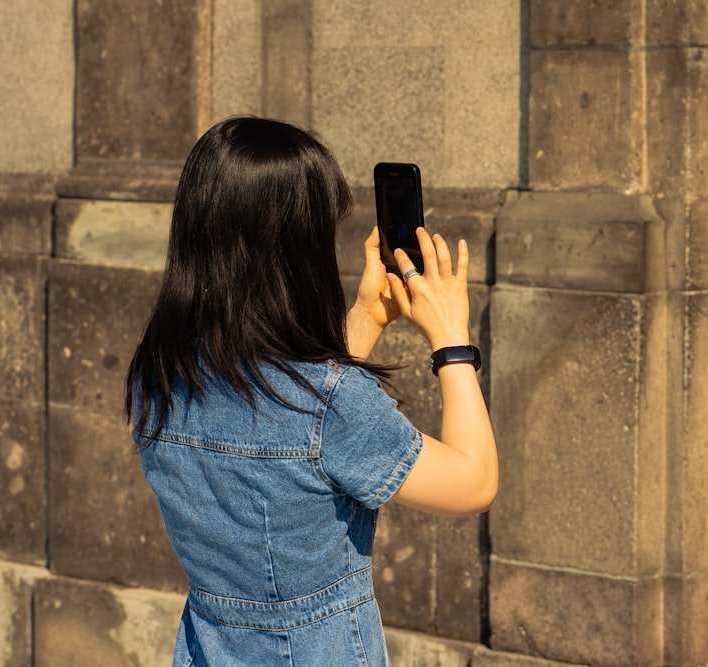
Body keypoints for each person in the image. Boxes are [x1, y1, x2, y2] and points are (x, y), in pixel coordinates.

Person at [124, 116, 498, 666]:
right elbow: (474, 483)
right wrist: (452, 342)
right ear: (297, 252)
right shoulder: (333, 403)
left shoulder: (161, 376)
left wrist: (367, 319)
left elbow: (279, 415)